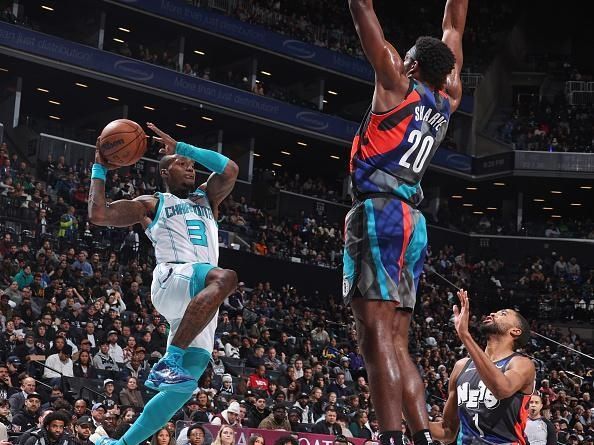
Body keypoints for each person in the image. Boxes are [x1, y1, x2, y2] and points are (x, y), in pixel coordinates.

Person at [344, 1, 468, 444]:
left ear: (412, 63)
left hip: (380, 211)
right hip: (413, 222)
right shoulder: (448, 100)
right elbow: (454, 24)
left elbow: (361, 7)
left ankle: (391, 436)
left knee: (373, 333)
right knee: (397, 340)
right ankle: (419, 436)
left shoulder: (397, 83)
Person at [89, 122, 238, 445]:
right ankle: (169, 359)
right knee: (224, 276)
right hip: (173, 278)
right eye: (181, 164)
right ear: (164, 173)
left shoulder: (208, 199)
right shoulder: (153, 203)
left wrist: (183, 147)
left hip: (197, 303)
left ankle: (122, 444)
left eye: (191, 165)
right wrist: (99, 167)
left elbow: (229, 169)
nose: (190, 168)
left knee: (182, 389)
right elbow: (99, 214)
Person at [429, 289, 536, 444]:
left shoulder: (521, 363)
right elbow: (447, 431)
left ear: (515, 331)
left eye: (503, 314)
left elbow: (501, 389)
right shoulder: (461, 366)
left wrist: (465, 335)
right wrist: (403, 414)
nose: (493, 314)